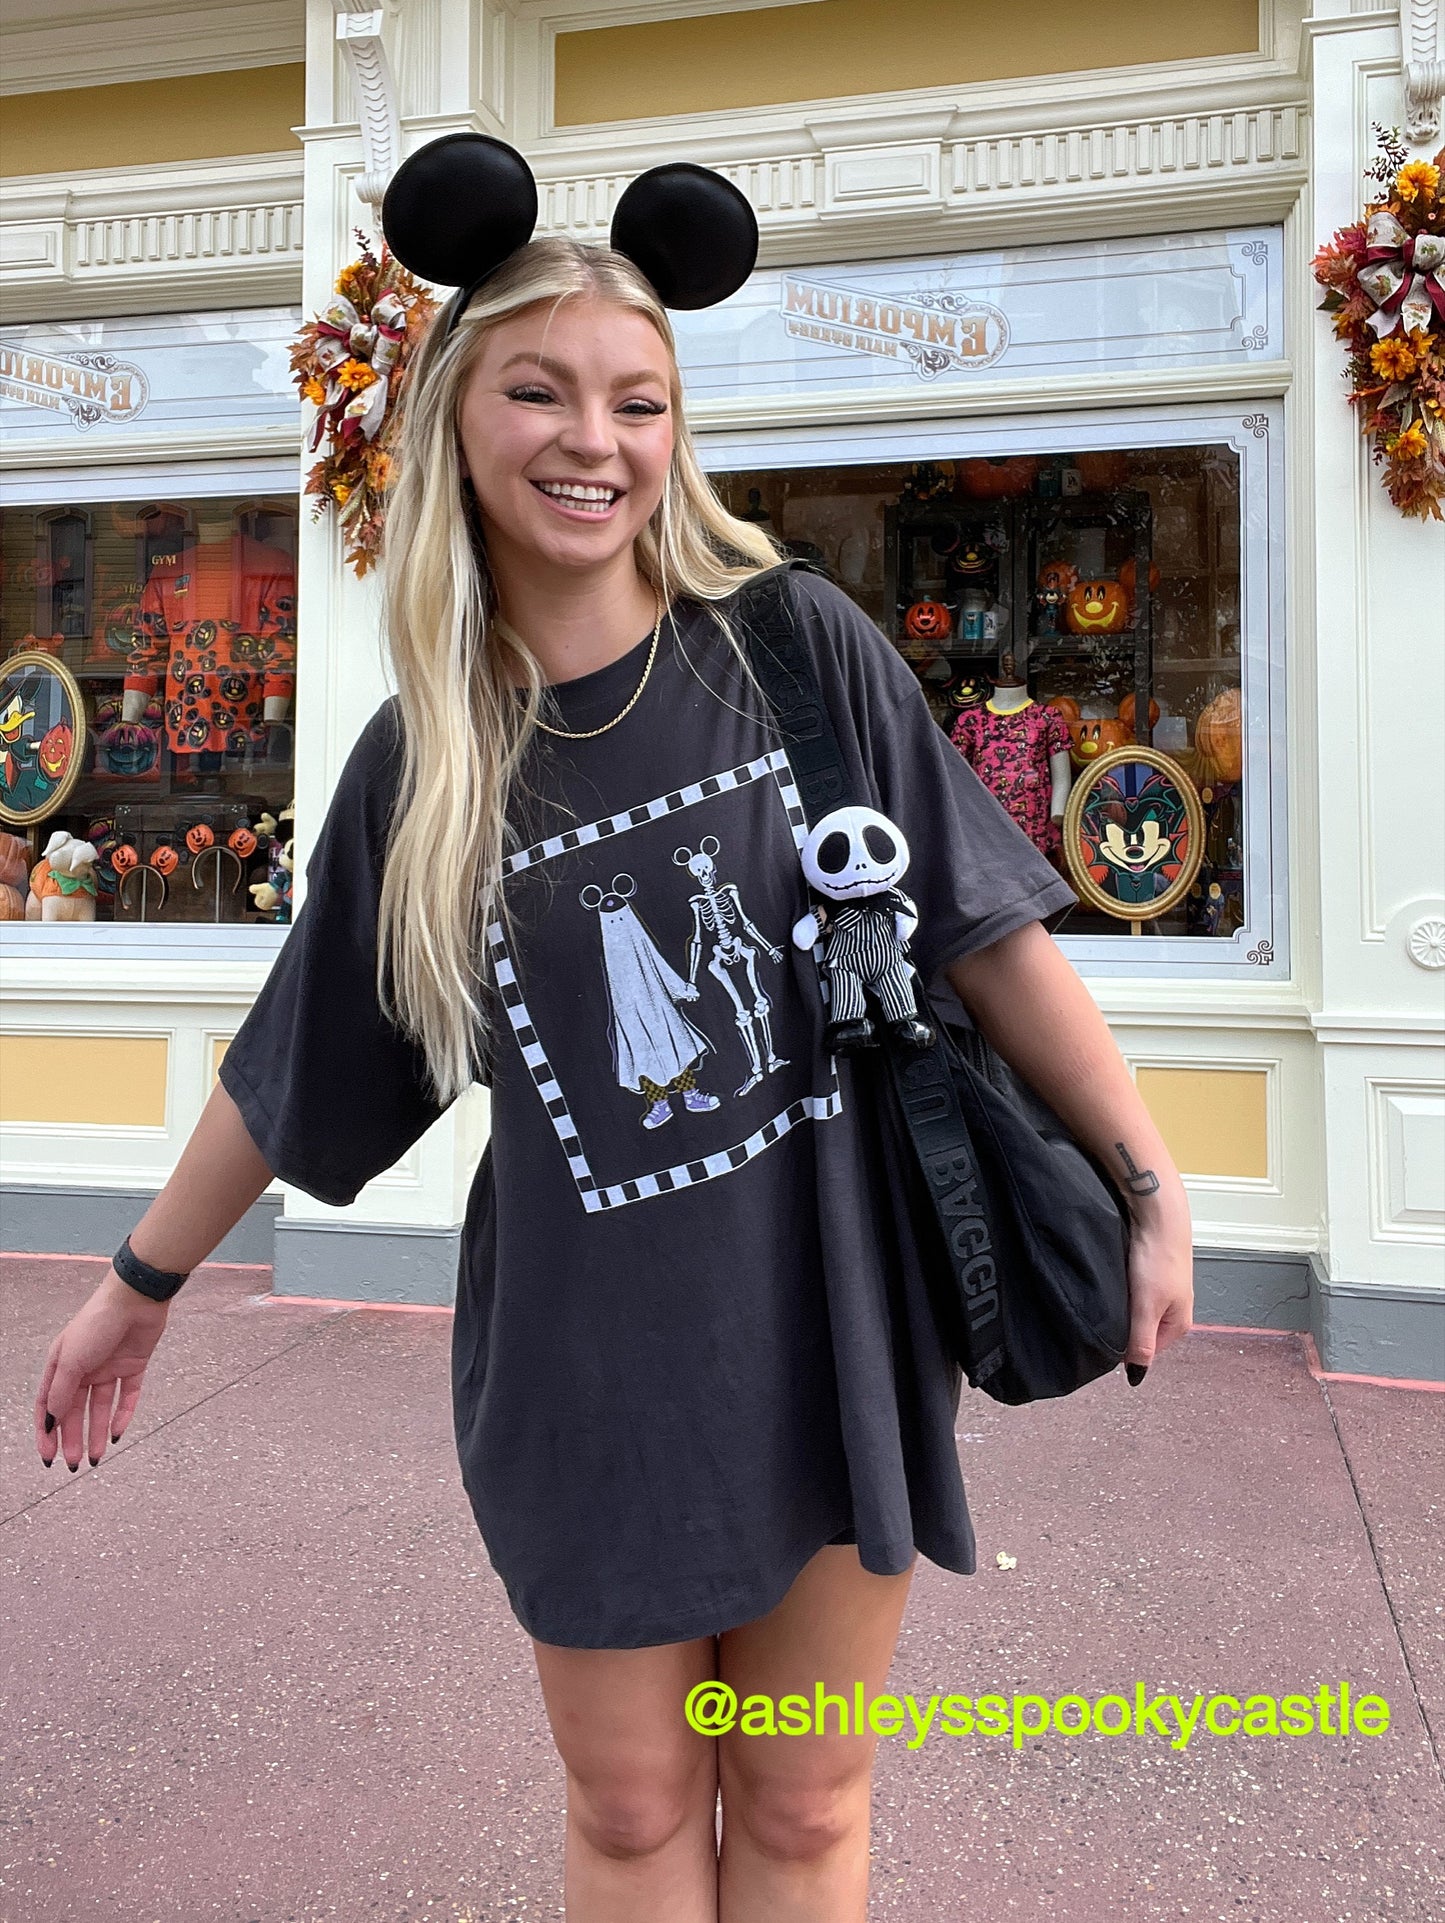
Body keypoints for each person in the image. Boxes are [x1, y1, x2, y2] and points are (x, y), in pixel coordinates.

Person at [33, 136, 1193, 1923]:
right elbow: (295, 1070)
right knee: (640, 1806)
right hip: (594, 1366)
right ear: (455, 419)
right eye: (541, 390)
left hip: (831, 1314)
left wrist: (1143, 1173)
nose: (595, 440)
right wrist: (141, 1280)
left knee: (804, 1800)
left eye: (637, 401)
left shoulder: (794, 650)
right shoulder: (426, 768)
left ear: (676, 429)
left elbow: (986, 938)